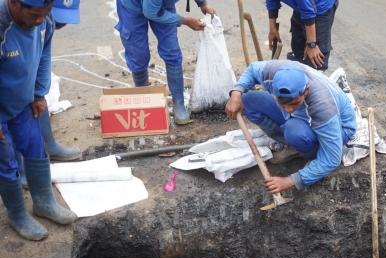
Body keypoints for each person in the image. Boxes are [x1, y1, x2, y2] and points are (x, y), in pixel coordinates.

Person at [0, 0, 78, 241]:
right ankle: (17, 214)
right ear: (14, 2)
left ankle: (44, 202)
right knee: (6, 161)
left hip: (22, 102)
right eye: (34, 14)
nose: (39, 20)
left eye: (45, 14)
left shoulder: (45, 20)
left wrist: (38, 93)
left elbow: (44, 53)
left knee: (36, 147)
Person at [225, 60, 356, 194]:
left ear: (306, 90)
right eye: (283, 104)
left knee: (294, 130)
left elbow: (333, 158)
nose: (288, 110)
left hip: (340, 128)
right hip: (303, 115)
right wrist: (236, 92)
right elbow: (252, 70)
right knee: (246, 100)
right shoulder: (273, 72)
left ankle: (313, 155)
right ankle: (292, 145)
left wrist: (291, 180)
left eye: (294, 103)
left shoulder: (322, 106)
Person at [114, 0, 215, 125]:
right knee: (138, 56)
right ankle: (142, 99)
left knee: (171, 50)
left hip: (162, 5)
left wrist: (202, 3)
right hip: (132, 7)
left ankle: (179, 105)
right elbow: (151, 12)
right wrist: (185, 20)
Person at [15, 0, 82, 187]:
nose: (63, 24)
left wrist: (39, 93)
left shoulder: (46, 21)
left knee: (38, 97)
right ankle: (17, 167)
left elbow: (43, 57)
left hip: (26, 66)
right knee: (14, 110)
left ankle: (49, 145)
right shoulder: (14, 22)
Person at [266, 0, 338, 72]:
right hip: (301, 6)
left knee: (314, 59)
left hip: (320, 6)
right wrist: (273, 28)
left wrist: (312, 44)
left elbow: (308, 11)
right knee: (298, 49)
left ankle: (315, 77)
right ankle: (299, 77)